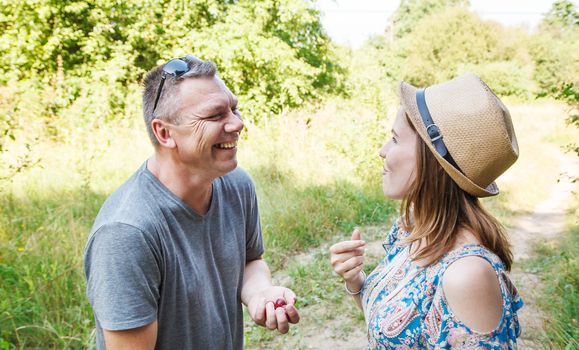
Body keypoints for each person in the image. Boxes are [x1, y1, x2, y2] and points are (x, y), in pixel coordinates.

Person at [84, 54, 299, 349]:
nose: (237, 124)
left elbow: (251, 260)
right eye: (215, 115)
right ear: (164, 133)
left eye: (234, 109)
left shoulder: (237, 185)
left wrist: (259, 293)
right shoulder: (126, 234)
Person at [330, 73, 523, 349]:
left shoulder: (467, 276)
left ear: (431, 161)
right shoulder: (411, 227)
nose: (382, 151)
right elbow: (396, 333)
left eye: (395, 139)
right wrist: (355, 280)